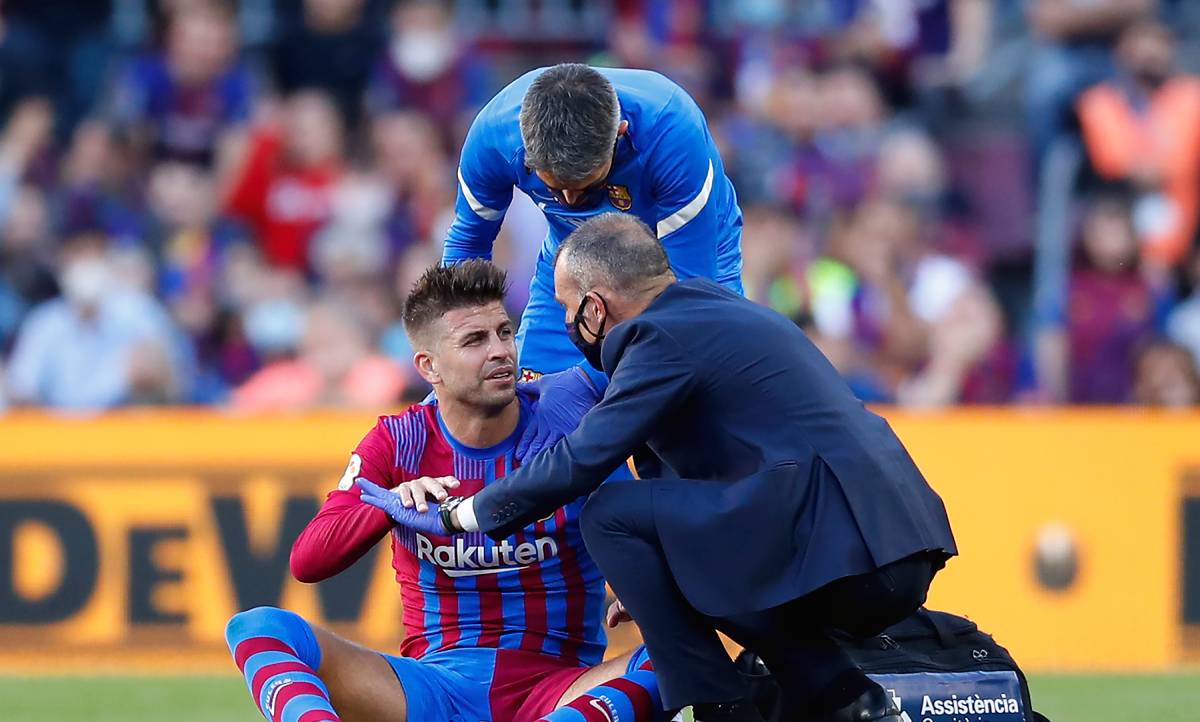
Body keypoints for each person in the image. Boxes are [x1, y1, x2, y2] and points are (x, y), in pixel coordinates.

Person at [368, 215, 958, 722]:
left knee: (608, 512)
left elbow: (583, 460)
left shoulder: (657, 335)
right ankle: (846, 699)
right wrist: (656, 573)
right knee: (664, 543)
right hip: (890, 542)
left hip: (841, 550)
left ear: (596, 308)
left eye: (569, 311)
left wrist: (463, 513)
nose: (569, 328)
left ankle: (719, 706)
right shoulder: (715, 311)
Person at [224, 260, 665, 722]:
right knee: (258, 628)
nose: (500, 351)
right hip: (434, 692)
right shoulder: (400, 441)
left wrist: (640, 587)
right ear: (428, 366)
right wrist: (391, 506)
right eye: (474, 340)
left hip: (558, 690)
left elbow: (634, 531)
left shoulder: (567, 429)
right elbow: (308, 561)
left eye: (503, 332)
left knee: (680, 652)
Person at [445, 63, 745, 457]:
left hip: (683, 260)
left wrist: (587, 380)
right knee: (527, 414)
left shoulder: (672, 130)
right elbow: (467, 250)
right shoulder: (493, 137)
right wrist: (459, 353)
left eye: (586, 187)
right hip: (573, 264)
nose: (568, 201)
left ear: (619, 134)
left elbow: (688, 301)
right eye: (555, 187)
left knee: (690, 416)